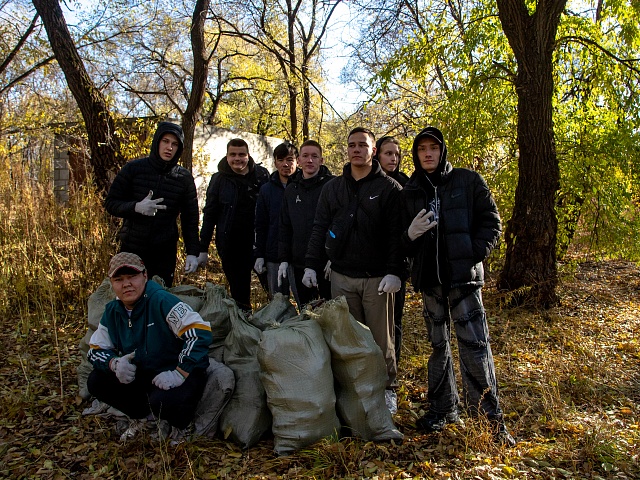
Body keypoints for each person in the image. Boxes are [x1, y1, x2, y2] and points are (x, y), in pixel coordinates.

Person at [401, 126, 514, 445]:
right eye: (422, 148)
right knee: (438, 348)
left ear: (442, 151)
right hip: (430, 284)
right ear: (416, 154)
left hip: (463, 282)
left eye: (433, 148)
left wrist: (472, 254)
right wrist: (409, 235)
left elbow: (492, 222)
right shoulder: (410, 191)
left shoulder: (467, 181)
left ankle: (490, 422)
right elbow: (399, 242)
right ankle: (442, 410)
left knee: (476, 348)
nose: (428, 153)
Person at [304, 127, 404, 414]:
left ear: (373, 150)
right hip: (341, 277)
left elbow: (396, 235)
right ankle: (354, 391)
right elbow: (319, 228)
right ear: (346, 151)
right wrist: (311, 264)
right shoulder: (333, 188)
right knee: (348, 339)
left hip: (377, 279)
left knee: (381, 339)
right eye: (351, 145)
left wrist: (394, 271)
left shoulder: (389, 189)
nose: (356, 149)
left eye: (363, 145)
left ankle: (387, 390)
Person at [87, 252, 212, 442]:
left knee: (163, 401)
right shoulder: (113, 311)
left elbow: (199, 332)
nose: (126, 284)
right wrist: (114, 364)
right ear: (111, 283)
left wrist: (179, 373)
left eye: (132, 277)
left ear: (145, 276)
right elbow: (95, 349)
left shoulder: (161, 300)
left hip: (179, 373)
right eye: (119, 279)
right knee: (96, 380)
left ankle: (182, 426)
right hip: (146, 373)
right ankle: (144, 418)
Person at [104, 122, 200, 287]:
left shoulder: (183, 178)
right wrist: (136, 207)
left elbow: (190, 217)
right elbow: (111, 203)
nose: (169, 147)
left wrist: (192, 252)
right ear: (157, 142)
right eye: (165, 141)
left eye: (174, 144)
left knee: (159, 297)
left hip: (164, 251)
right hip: (132, 247)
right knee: (130, 298)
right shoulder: (133, 169)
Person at [198, 138, 269, 312]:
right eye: (233, 155)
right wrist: (203, 248)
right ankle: (245, 329)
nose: (237, 158)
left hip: (260, 244)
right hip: (231, 246)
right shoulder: (219, 179)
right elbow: (210, 214)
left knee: (274, 290)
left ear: (248, 155)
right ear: (227, 156)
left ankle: (277, 327)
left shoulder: (262, 176)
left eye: (241, 154)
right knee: (240, 296)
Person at [277, 140, 333, 308]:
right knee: (307, 312)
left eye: (314, 156)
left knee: (331, 314)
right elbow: (285, 226)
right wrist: (284, 259)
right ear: (299, 160)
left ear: (321, 160)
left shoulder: (333, 186)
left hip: (327, 266)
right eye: (306, 156)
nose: (310, 160)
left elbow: (340, 223)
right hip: (299, 263)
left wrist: (334, 255)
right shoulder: (291, 189)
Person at [375, 136, 410, 365]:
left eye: (396, 154)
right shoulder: (368, 181)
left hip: (397, 261)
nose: (393, 158)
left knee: (394, 317)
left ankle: (392, 366)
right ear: (377, 154)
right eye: (388, 153)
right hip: (370, 263)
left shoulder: (406, 184)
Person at [254, 142, 299, 299]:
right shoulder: (266, 189)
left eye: (289, 159)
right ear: (275, 162)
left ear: (297, 161)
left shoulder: (304, 185)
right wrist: (259, 254)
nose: (285, 164)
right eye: (280, 160)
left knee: (308, 306)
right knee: (278, 304)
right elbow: (261, 224)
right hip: (274, 255)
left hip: (300, 257)